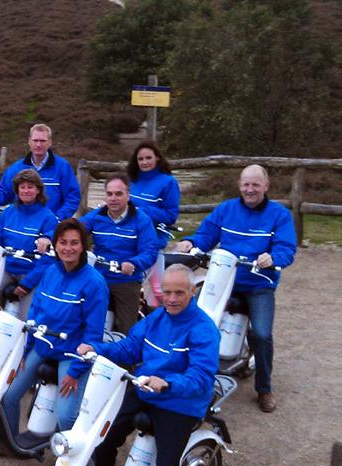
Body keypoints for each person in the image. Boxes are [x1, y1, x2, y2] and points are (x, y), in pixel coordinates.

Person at [77, 264, 220, 466]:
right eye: (166, 292)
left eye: (178, 292)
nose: (171, 298)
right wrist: (96, 349)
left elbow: (200, 376)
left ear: (192, 292)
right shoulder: (156, 318)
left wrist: (168, 384)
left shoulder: (203, 329)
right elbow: (129, 348)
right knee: (104, 432)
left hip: (180, 402)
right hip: (146, 388)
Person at [176, 164, 296, 413]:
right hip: (223, 279)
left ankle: (264, 389)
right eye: (246, 184)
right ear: (239, 185)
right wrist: (191, 242)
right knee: (194, 318)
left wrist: (273, 258)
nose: (250, 189)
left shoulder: (279, 215)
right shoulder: (226, 209)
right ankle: (188, 373)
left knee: (262, 334)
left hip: (258, 283)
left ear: (266, 186)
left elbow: (286, 248)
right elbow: (207, 234)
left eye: (255, 184)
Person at [0, 219, 107, 446]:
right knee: (9, 396)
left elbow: (93, 335)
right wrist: (26, 350)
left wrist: (76, 371)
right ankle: (12, 445)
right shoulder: (51, 272)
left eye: (74, 243)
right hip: (43, 346)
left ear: (83, 246)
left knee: (65, 416)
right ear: (55, 244)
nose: (68, 248)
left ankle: (70, 461)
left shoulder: (94, 283)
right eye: (63, 242)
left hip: (71, 354)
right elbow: (35, 311)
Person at [79, 174, 159, 335]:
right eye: (109, 194)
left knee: (127, 330)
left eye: (118, 194)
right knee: (82, 320)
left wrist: (134, 263)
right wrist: (48, 237)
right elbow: (72, 230)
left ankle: (125, 359)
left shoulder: (141, 220)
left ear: (128, 195)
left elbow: (150, 251)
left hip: (126, 281)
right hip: (99, 278)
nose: (113, 198)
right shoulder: (97, 216)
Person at [0, 168, 58, 319]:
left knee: (26, 320)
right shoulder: (8, 212)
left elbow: (49, 256)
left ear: (38, 190)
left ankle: (27, 342)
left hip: (29, 273)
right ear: (17, 189)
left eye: (30, 187)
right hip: (5, 269)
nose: (26, 191)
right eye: (22, 187)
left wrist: (27, 284)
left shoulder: (48, 217)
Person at [0, 123, 81, 220]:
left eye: (43, 141)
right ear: (29, 141)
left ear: (50, 142)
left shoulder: (62, 167)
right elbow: (4, 192)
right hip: (22, 225)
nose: (38, 145)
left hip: (51, 228)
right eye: (35, 140)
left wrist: (58, 218)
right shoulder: (16, 168)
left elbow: (72, 197)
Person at [127, 141, 181, 307]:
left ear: (157, 158)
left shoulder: (168, 182)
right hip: (129, 238)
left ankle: (170, 320)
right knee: (131, 285)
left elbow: (171, 215)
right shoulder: (132, 180)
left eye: (148, 158)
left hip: (153, 240)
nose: (144, 162)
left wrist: (142, 210)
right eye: (140, 159)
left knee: (158, 289)